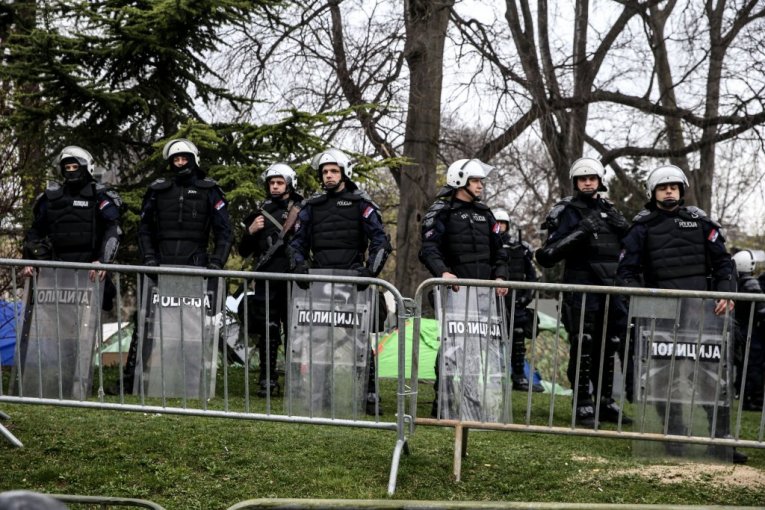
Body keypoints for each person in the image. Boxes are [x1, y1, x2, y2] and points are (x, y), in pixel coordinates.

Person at [617, 164, 746, 463]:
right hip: (661, 315)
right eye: (663, 187)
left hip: (703, 313)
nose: (669, 191)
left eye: (674, 186)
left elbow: (724, 263)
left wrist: (727, 292)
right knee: (664, 377)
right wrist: (643, 299)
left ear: (681, 190)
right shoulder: (641, 227)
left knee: (711, 377)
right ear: (654, 193)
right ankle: (673, 433)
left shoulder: (700, 222)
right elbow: (625, 273)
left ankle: (720, 440)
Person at [112, 138, 232, 394]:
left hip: (194, 266)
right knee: (147, 325)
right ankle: (134, 380)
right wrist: (149, 258)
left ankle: (191, 383)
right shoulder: (158, 190)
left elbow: (225, 232)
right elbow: (144, 229)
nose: (180, 163)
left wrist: (216, 262)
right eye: (175, 159)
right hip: (159, 266)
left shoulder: (210, 190)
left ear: (193, 159)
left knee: (191, 327)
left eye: (184, 158)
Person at [288, 148, 392, 414]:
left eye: (334, 171)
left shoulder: (362, 203)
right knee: (319, 339)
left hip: (353, 280)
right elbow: (296, 243)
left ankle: (368, 394)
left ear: (344, 172)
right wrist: (300, 267)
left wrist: (370, 272)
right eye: (325, 172)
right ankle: (321, 395)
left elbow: (381, 240)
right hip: (320, 280)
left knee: (358, 340)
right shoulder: (312, 206)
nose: (329, 176)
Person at [535, 157, 631, 427]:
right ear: (576, 182)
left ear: (600, 181)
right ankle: (583, 402)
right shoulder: (566, 210)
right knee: (584, 343)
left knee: (609, 344)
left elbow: (633, 248)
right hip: (581, 288)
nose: (588, 183)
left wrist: (625, 229)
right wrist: (581, 231)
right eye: (582, 179)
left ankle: (605, 402)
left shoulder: (611, 210)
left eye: (592, 178)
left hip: (610, 288)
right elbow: (547, 255)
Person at [419, 159, 509, 417]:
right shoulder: (440, 211)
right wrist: (443, 272)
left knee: (480, 348)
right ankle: (444, 401)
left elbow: (499, 251)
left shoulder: (485, 213)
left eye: (481, 181)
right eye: (476, 181)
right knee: (452, 348)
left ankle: (476, 403)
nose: (480, 185)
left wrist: (501, 275)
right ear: (460, 181)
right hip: (454, 292)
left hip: (483, 294)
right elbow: (428, 248)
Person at [22, 145, 122, 308]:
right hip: (56, 275)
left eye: (75, 166)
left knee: (88, 328)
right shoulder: (51, 198)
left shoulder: (99, 195)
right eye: (67, 167)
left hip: (91, 274)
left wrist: (103, 261)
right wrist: (29, 260)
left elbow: (114, 229)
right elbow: (34, 232)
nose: (71, 170)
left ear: (85, 167)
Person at [239, 163, 303, 397]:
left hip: (294, 279)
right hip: (266, 280)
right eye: (271, 183)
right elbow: (243, 251)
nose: (275, 187)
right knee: (269, 329)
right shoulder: (258, 213)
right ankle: (267, 379)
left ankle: (297, 380)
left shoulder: (302, 209)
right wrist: (250, 231)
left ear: (289, 184)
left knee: (295, 330)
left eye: (279, 183)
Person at [494, 208, 543, 392]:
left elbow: (531, 276)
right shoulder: (490, 247)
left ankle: (520, 377)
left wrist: (526, 296)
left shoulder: (519, 248)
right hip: (495, 301)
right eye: (496, 224)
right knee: (493, 338)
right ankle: (495, 375)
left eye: (503, 224)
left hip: (517, 301)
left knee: (518, 337)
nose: (500, 227)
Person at [731, 250, 765, 412]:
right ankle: (754, 400)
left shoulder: (734, 282)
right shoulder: (751, 284)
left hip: (739, 329)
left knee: (743, 365)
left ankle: (745, 397)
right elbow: (761, 311)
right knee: (753, 366)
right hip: (751, 332)